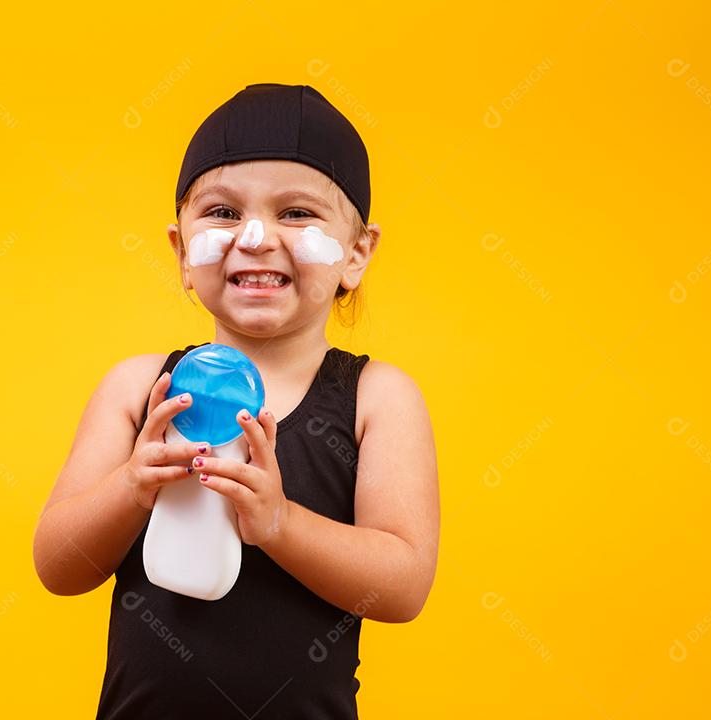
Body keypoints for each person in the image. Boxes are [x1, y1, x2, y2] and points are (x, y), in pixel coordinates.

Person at [33, 83, 440, 719]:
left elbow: (403, 585)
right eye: (223, 212)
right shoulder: (137, 388)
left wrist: (281, 525)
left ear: (356, 253)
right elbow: (58, 566)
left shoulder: (377, 399)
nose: (254, 237)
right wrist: (130, 487)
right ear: (181, 252)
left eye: (296, 213)